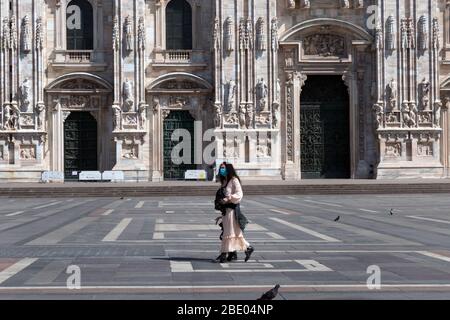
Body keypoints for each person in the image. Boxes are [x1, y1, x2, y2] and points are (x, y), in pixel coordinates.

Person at [214, 162, 254, 263]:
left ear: (228, 169)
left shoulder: (234, 180)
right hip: (226, 211)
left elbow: (239, 194)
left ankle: (224, 254)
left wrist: (229, 198)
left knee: (229, 233)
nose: (221, 170)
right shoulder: (224, 181)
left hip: (232, 211)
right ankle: (246, 249)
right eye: (220, 168)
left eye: (223, 168)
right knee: (233, 234)